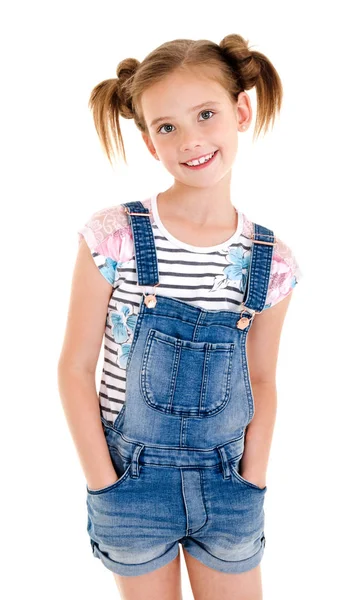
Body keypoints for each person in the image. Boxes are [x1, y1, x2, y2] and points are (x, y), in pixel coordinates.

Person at [57, 33, 303, 600]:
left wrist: (252, 482)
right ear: (148, 142)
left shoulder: (273, 264)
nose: (190, 140)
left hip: (228, 485)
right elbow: (74, 367)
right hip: (130, 481)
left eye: (206, 114)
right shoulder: (113, 236)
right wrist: (105, 485)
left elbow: (262, 379)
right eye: (167, 127)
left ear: (240, 111)